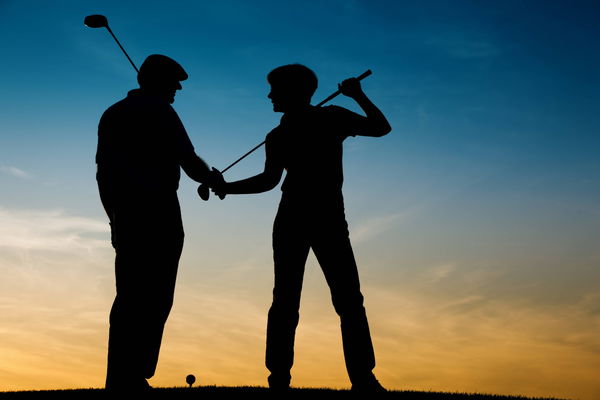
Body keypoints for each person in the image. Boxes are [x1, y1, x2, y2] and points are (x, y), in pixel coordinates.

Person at [211, 64, 392, 392]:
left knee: (314, 299)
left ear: (293, 91)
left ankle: (332, 378)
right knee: (328, 299)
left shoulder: (323, 119)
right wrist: (226, 188)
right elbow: (269, 180)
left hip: (311, 217)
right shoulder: (288, 131)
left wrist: (357, 95)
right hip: (310, 217)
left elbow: (381, 128)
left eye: (275, 90)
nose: (269, 96)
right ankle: (303, 378)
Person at [96, 54, 217, 391]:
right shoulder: (161, 111)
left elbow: (103, 173)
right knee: (156, 295)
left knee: (130, 296)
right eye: (173, 82)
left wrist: (114, 219)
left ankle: (123, 377)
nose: (178, 88)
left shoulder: (113, 114)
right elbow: (189, 160)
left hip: (126, 213)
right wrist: (212, 180)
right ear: (158, 82)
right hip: (159, 210)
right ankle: (133, 376)